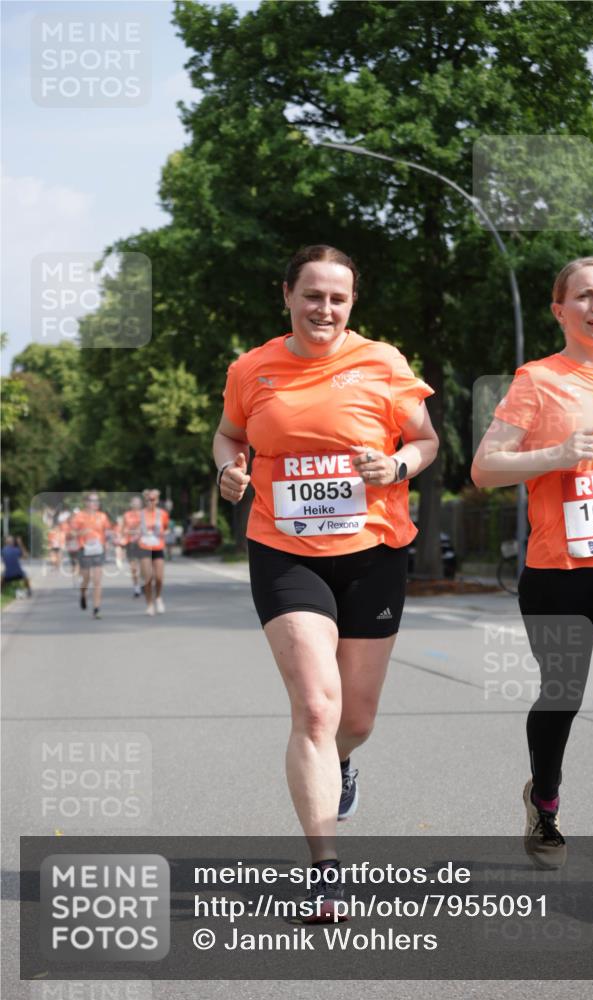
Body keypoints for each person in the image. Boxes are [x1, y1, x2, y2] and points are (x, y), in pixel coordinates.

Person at [214, 244, 439, 919]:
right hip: (285, 550)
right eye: (312, 295)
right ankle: (325, 869)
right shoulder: (252, 369)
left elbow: (425, 441)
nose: (324, 308)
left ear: (352, 304)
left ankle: (339, 764)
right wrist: (228, 470)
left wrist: (397, 466)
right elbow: (229, 436)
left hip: (373, 549)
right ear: (285, 294)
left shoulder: (384, 362)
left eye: (337, 298)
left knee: (355, 718)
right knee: (315, 706)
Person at [472, 257, 593, 898]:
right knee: (563, 693)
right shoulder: (536, 380)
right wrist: (554, 456)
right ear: (560, 310)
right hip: (558, 568)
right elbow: (484, 468)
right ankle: (545, 798)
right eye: (583, 296)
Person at [70, 493, 113, 619]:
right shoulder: (79, 516)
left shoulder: (102, 516)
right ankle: (83, 593)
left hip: (98, 550)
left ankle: (96, 609)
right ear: (86, 502)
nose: (95, 503)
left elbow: (108, 530)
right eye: (92, 501)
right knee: (86, 578)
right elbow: (71, 532)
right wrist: (80, 532)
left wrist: (109, 539)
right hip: (84, 549)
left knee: (97, 580)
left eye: (97, 501)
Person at [139, 489, 169, 615]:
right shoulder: (140, 514)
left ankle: (158, 597)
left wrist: (163, 533)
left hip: (158, 547)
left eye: (153, 500)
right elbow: (133, 529)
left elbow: (166, 529)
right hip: (144, 547)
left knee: (159, 578)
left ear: (157, 501)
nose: (151, 502)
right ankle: (149, 604)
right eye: (148, 500)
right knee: (148, 578)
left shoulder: (162, 514)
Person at [120, 496, 144, 597]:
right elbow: (123, 529)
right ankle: (136, 587)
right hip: (131, 543)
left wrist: (140, 532)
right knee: (133, 567)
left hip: (143, 543)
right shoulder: (127, 515)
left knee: (144, 566)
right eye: (134, 502)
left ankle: (143, 583)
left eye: (138, 502)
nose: (136, 504)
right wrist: (128, 533)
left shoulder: (144, 514)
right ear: (131, 504)